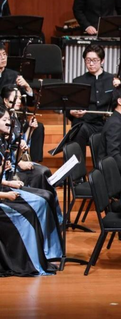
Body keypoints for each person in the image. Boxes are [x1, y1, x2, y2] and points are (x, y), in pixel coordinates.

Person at [0, 105, 62, 276]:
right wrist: (8, 190)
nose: (8, 122)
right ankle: (35, 260)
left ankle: (49, 251)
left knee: (46, 198)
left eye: (9, 119)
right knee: (36, 206)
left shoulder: (2, 140)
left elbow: (14, 161)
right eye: (4, 120)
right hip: (3, 192)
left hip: (6, 185)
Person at [68, 44, 120, 157]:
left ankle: (107, 166)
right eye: (88, 60)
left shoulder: (112, 80)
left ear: (102, 61)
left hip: (106, 124)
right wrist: (72, 112)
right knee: (79, 129)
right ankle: (77, 167)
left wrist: (119, 88)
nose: (91, 64)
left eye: (95, 60)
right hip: (86, 123)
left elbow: (119, 104)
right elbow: (69, 107)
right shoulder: (78, 81)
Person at [1, 87, 52, 191]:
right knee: (40, 173)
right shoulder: (3, 122)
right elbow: (7, 148)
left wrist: (31, 129)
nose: (19, 101)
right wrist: (18, 163)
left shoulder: (15, 118)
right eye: (15, 98)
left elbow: (23, 141)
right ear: (6, 100)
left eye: (20, 98)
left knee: (45, 171)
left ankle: (44, 195)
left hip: (17, 159)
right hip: (11, 165)